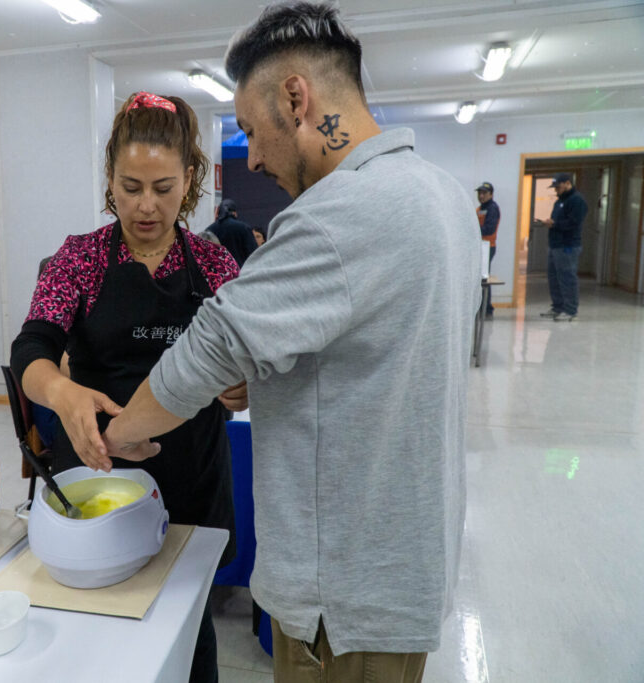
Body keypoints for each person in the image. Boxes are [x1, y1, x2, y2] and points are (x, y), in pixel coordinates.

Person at [83, 4, 481, 682]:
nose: (255, 157)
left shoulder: (336, 215)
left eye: (250, 130)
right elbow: (374, 354)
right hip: (403, 563)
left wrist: (115, 436)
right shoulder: (443, 196)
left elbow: (207, 350)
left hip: (341, 595)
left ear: (297, 98)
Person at [9, 91, 245, 683]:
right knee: (96, 631)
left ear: (189, 180)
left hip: (191, 472)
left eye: (163, 189)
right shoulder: (80, 260)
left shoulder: (215, 265)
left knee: (187, 626)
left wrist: (242, 384)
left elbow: (247, 357)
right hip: (97, 469)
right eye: (129, 186)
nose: (145, 206)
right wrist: (61, 393)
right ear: (109, 178)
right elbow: (31, 349)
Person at [541, 172, 588, 321]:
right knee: (554, 278)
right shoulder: (559, 201)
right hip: (555, 245)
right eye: (554, 187)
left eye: (558, 187)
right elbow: (557, 220)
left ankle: (570, 310)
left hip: (568, 246)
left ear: (568, 183)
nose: (556, 190)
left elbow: (574, 223)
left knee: (567, 278)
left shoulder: (577, 200)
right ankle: (558, 307)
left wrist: (555, 224)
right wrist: (551, 223)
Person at [202, 198, 258, 266]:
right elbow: (254, 254)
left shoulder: (209, 230)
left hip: (216, 270)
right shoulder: (244, 228)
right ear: (234, 213)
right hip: (240, 270)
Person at [475, 182, 500, 317]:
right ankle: (481, 307)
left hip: (488, 247)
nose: (481, 196)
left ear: (491, 194)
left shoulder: (492, 208)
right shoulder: (479, 209)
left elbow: (489, 229)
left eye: (484, 193)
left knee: (484, 278)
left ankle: (487, 309)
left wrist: (474, 229)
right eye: (480, 193)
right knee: (480, 278)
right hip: (480, 247)